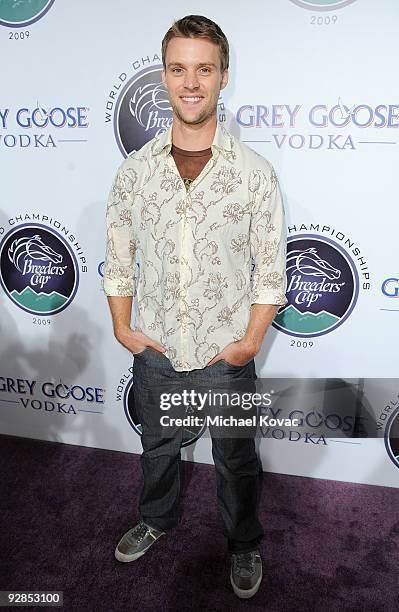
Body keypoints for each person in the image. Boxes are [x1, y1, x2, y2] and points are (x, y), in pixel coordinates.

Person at [103, 14, 288, 600]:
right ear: (163, 77)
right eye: (179, 69)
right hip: (156, 347)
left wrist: (249, 342)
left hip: (226, 351)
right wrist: (123, 329)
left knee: (236, 460)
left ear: (223, 77)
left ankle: (242, 544)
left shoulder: (255, 174)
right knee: (157, 446)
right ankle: (156, 519)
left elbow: (271, 271)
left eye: (203, 69)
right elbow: (118, 255)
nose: (191, 82)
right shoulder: (134, 173)